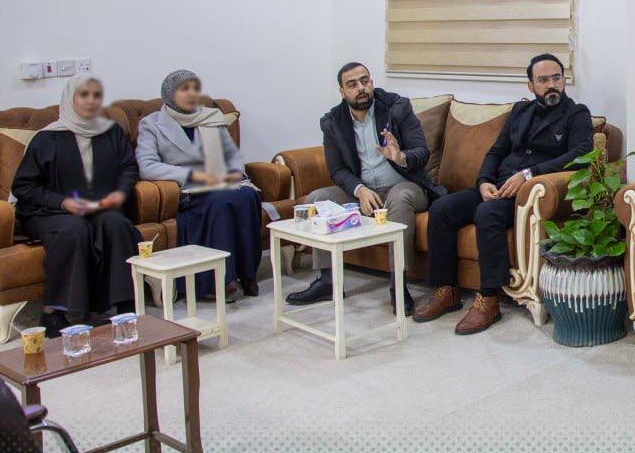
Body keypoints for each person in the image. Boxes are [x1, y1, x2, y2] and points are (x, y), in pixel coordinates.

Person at [412, 53, 593, 334]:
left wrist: (529, 174)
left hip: (528, 195)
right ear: (531, 86)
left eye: (556, 78)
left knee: (487, 213)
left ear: (564, 80)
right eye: (543, 80)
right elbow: (497, 151)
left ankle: (488, 299)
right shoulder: (520, 112)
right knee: (442, 209)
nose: (551, 85)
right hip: (497, 185)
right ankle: (446, 290)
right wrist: (484, 181)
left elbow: (581, 154)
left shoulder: (576, 113)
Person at [286, 63, 445, 314]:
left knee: (400, 198)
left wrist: (400, 156)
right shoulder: (332, 122)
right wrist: (359, 190)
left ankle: (398, 284)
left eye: (365, 81)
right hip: (364, 190)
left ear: (371, 82)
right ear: (342, 92)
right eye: (352, 84)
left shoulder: (397, 107)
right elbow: (337, 170)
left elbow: (422, 153)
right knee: (317, 199)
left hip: (405, 184)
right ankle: (327, 281)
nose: (361, 88)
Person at [11, 75, 140, 337]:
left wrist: (118, 195)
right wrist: (63, 202)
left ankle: (126, 307)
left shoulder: (111, 132)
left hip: (99, 207)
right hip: (50, 211)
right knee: (73, 230)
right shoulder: (47, 138)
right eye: (83, 95)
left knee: (117, 224)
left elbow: (129, 169)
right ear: (70, 98)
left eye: (96, 95)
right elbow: (25, 188)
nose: (90, 101)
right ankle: (59, 314)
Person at [136, 70, 261, 303]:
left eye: (195, 88)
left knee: (246, 195)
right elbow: (147, 166)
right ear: (169, 94)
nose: (191, 94)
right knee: (222, 200)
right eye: (184, 89)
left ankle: (247, 274)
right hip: (189, 189)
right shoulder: (151, 124)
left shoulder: (212, 118)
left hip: (222, 182)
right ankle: (220, 281)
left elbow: (232, 156)